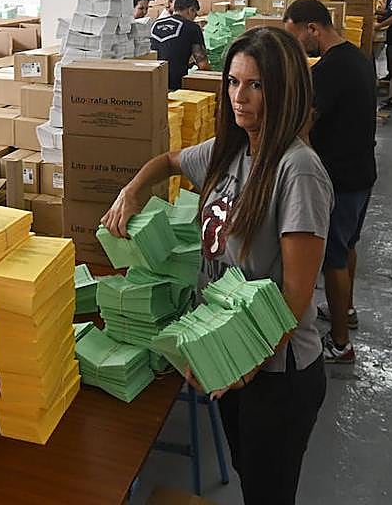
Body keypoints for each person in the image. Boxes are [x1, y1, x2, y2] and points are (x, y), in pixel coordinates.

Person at [102, 27, 331, 505]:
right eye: (232, 82)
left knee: (269, 492)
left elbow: (295, 295)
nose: (238, 98)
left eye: (255, 85)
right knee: (251, 474)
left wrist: (242, 367)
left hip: (275, 372)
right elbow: (167, 160)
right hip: (229, 354)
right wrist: (132, 191)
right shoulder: (230, 151)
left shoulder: (298, 170)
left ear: (283, 90)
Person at [283, 0, 377, 364]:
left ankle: (340, 343)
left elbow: (304, 122)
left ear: (313, 29)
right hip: (361, 171)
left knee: (333, 259)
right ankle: (346, 311)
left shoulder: (329, 70)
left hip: (337, 178)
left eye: (295, 36)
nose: (295, 45)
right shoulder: (356, 57)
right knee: (348, 245)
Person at [150, 0, 210, 90]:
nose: (194, 18)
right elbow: (203, 65)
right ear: (191, 10)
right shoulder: (192, 27)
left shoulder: (155, 23)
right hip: (175, 85)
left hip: (151, 80)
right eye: (195, 14)